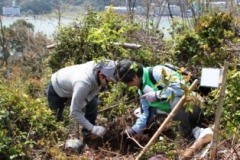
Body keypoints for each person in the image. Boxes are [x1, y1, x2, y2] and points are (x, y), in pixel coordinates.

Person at [116, 59, 204, 139]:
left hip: (195, 107)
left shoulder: (157, 72)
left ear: (134, 76)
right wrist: (134, 130)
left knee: (175, 100)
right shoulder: (141, 90)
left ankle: (184, 136)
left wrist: (157, 95)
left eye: (126, 82)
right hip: (181, 115)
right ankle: (184, 129)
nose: (127, 85)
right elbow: (146, 113)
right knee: (151, 109)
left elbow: (182, 89)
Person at [46, 59, 117, 137]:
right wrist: (93, 129)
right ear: (101, 75)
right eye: (108, 82)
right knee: (55, 117)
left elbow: (96, 90)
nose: (108, 85)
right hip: (57, 88)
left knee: (93, 103)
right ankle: (55, 137)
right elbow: (74, 112)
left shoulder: (101, 68)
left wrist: (86, 101)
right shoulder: (83, 83)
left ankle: (87, 133)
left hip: (73, 87)